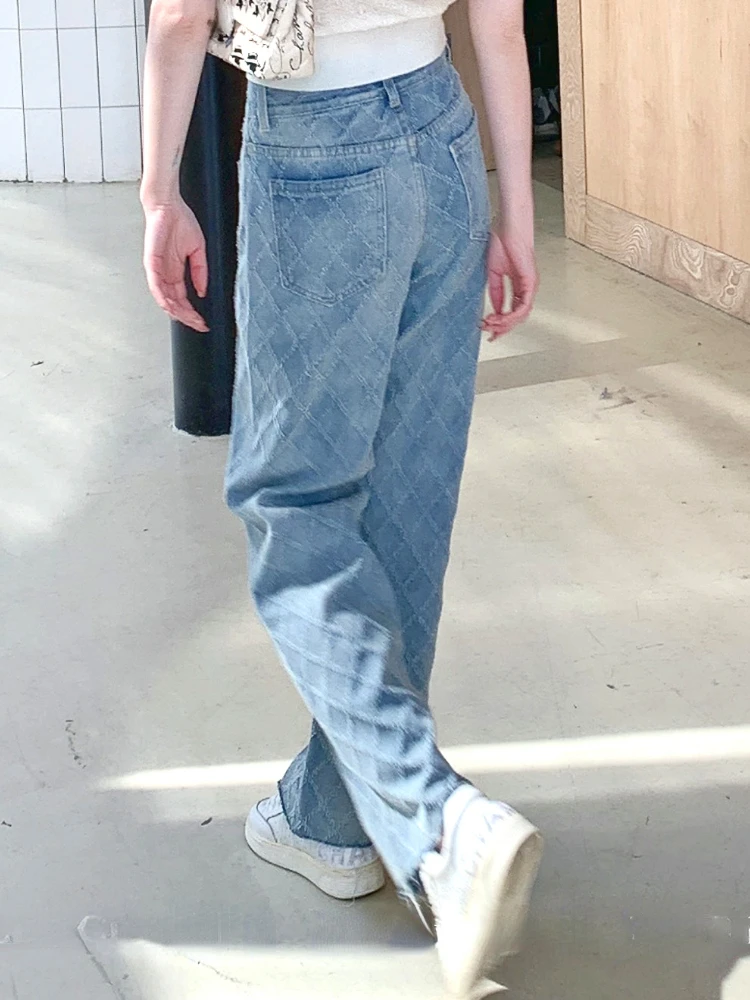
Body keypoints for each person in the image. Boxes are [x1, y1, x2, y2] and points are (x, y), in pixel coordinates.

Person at [141, 0, 543, 993]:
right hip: (442, 134)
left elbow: (184, 16)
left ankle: (438, 819)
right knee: (407, 501)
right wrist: (515, 214)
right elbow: (498, 24)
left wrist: (159, 193)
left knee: (292, 505)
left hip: (318, 143)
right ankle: (334, 819)